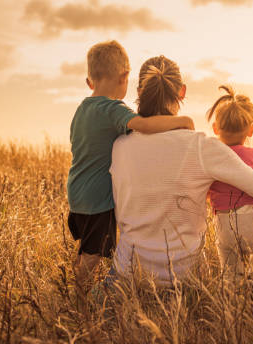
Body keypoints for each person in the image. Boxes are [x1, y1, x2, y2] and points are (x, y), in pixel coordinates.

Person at [110, 55, 253, 286]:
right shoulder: (202, 146)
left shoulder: (119, 147)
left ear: (139, 91)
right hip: (184, 281)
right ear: (182, 92)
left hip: (127, 277)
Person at [67, 41, 194, 297]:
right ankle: (77, 295)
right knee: (93, 253)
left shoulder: (82, 109)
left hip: (76, 194)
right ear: (125, 78)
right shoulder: (112, 109)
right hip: (97, 201)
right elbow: (143, 125)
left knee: (85, 249)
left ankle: (73, 283)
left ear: (89, 81)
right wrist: (181, 121)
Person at [206, 85, 253, 276]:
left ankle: (231, 302)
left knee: (230, 276)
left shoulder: (211, 159)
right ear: (250, 130)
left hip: (224, 223)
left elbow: (203, 191)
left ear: (215, 128)